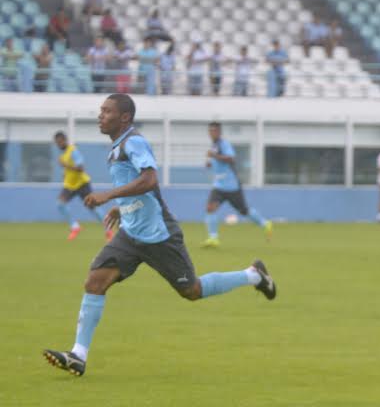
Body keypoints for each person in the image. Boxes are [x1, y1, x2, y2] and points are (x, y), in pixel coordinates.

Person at [42, 94, 277, 377]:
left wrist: (109, 195)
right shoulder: (117, 146)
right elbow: (137, 185)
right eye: (100, 111)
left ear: (124, 117)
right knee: (95, 282)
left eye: (107, 111)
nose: (100, 115)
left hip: (158, 235)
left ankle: (253, 275)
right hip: (130, 234)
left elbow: (149, 179)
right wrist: (121, 206)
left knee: (192, 291)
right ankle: (78, 355)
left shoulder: (133, 142)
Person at [201, 121, 272, 248]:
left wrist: (214, 156)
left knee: (244, 211)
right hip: (219, 185)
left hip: (231, 185)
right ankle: (213, 238)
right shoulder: (214, 146)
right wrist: (210, 163)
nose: (212, 133)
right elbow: (218, 161)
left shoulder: (224, 144)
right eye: (210, 130)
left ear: (219, 132)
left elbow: (231, 159)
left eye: (214, 130)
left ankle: (265, 223)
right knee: (210, 208)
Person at [54, 131, 110, 241]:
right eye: (57, 143)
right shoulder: (63, 155)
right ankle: (75, 227)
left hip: (82, 184)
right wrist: (65, 174)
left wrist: (65, 165)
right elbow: (69, 170)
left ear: (65, 140)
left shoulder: (73, 151)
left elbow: (81, 168)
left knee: (93, 207)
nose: (58, 145)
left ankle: (108, 229)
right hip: (70, 185)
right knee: (60, 204)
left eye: (60, 142)